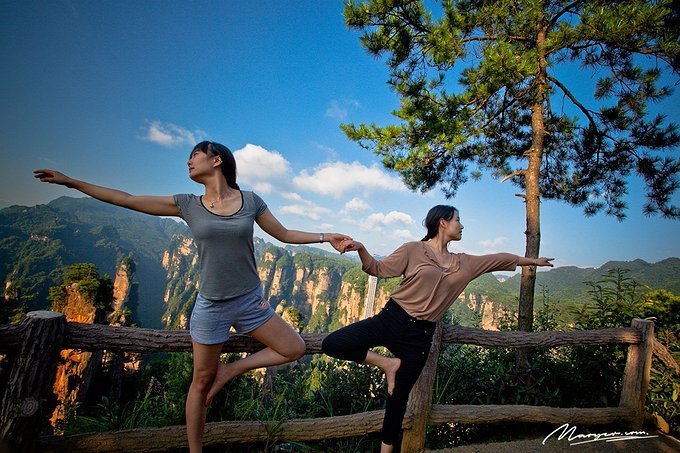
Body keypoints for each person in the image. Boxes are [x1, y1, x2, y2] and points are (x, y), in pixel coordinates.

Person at [35, 141, 351, 452]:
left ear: (217, 161)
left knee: (293, 347)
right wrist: (72, 182)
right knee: (201, 381)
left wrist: (326, 236)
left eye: (194, 155)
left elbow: (284, 234)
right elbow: (126, 199)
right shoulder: (187, 204)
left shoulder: (251, 201)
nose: (188, 161)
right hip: (211, 307)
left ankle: (230, 370)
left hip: (250, 302)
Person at [323, 205, 553, 452]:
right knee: (333, 344)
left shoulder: (464, 263)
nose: (462, 226)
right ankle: (387, 364)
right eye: (458, 220)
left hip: (420, 337)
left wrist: (533, 261)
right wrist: (361, 249)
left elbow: (499, 259)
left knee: (398, 400)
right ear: (442, 222)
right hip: (391, 319)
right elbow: (378, 269)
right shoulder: (413, 249)